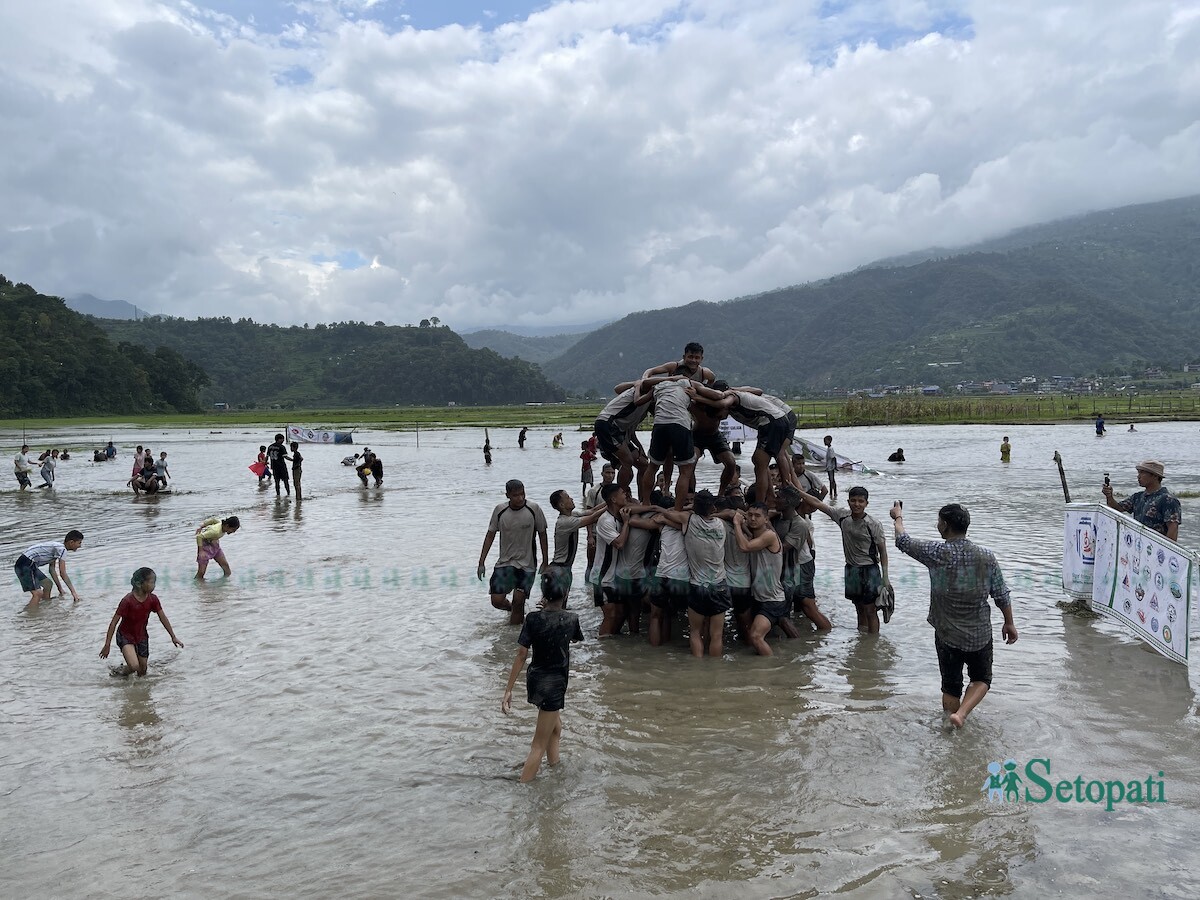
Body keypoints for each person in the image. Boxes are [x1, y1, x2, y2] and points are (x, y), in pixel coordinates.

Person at [891, 502, 1017, 728]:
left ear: (946, 525)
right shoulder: (986, 556)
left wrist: (898, 517)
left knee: (950, 686)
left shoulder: (937, 553)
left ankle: (951, 725)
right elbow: (1001, 594)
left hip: (947, 633)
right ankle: (963, 714)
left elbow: (903, 540)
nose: (937, 524)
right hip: (979, 633)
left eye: (939, 521)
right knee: (981, 679)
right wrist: (1009, 623)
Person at [501, 570, 584, 783]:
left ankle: (555, 768)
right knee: (538, 745)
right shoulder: (571, 619)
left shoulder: (532, 619)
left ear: (543, 594)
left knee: (556, 728)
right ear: (565, 593)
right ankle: (524, 788)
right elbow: (573, 639)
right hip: (555, 684)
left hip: (536, 681)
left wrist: (508, 689)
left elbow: (521, 655)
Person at [686, 382, 798, 503]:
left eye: (719, 416)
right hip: (770, 424)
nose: (720, 419)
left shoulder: (732, 397)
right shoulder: (732, 405)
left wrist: (697, 397)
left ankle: (762, 502)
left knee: (761, 464)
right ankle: (770, 496)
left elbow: (723, 403)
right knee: (758, 462)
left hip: (773, 422)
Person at [805, 486, 890, 633]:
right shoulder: (842, 516)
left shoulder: (873, 524)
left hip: (870, 570)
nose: (857, 504)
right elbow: (818, 504)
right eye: (853, 501)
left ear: (866, 503)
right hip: (851, 569)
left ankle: (873, 642)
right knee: (858, 607)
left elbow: (883, 552)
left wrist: (886, 578)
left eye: (861, 501)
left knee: (870, 610)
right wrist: (796, 489)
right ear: (848, 502)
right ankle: (863, 641)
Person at [478, 479, 549, 625]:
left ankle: (514, 640)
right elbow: (490, 535)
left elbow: (542, 534)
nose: (520, 498)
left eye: (522, 494)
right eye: (516, 495)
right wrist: (481, 562)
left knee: (519, 600)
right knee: (496, 600)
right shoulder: (500, 510)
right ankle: (513, 613)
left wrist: (545, 561)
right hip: (505, 562)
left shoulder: (534, 509)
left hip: (527, 564)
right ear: (507, 495)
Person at [100, 567, 184, 678]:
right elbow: (114, 622)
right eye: (151, 582)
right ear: (140, 583)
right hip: (125, 636)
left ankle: (136, 690)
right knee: (134, 666)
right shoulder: (127, 601)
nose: (154, 586)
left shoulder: (153, 599)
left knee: (143, 670)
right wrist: (107, 645)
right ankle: (119, 673)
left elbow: (163, 618)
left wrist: (173, 636)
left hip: (142, 636)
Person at [734, 503, 793, 656]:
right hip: (759, 597)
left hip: (772, 599)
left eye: (757, 516)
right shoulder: (755, 534)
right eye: (750, 515)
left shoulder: (769, 536)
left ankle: (770, 670)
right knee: (760, 635)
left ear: (766, 519)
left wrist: (736, 523)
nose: (752, 518)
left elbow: (745, 547)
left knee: (755, 636)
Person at [639, 376, 697, 510]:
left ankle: (646, 502)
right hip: (680, 424)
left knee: (652, 466)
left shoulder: (659, 386)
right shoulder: (687, 383)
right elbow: (711, 391)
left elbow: (643, 388)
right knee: (685, 471)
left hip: (660, 424)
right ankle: (677, 509)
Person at [593, 384, 653, 495]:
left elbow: (631, 433)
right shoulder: (639, 392)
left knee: (644, 464)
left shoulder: (644, 409)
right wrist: (638, 383)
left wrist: (640, 447)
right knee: (627, 462)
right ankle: (620, 494)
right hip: (608, 428)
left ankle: (643, 498)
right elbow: (617, 389)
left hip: (621, 435)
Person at [1101, 460, 1181, 541]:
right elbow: (1117, 508)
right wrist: (1109, 496)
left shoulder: (1168, 500)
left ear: (1155, 476)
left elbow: (1173, 529)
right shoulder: (1138, 497)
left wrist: (1166, 552)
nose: (1138, 476)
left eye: (1142, 473)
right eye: (1138, 473)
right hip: (1139, 545)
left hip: (1156, 547)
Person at [548, 489, 606, 598]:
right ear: (562, 505)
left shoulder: (572, 515)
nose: (572, 499)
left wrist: (608, 500)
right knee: (556, 602)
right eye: (568, 498)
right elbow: (593, 518)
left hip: (564, 567)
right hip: (560, 568)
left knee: (560, 602)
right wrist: (612, 503)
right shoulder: (565, 522)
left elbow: (593, 511)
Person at [13, 530, 84, 608]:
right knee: (37, 593)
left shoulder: (57, 548)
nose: (80, 546)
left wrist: (60, 588)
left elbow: (52, 570)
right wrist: (74, 593)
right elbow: (63, 573)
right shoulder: (62, 550)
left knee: (48, 584)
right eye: (79, 543)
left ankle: (44, 608)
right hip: (25, 564)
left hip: (29, 564)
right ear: (71, 542)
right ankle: (28, 616)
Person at [640, 341, 717, 386]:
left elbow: (712, 379)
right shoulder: (674, 366)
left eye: (697, 358)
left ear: (701, 359)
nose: (693, 360)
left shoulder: (704, 372)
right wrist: (644, 380)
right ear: (684, 357)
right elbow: (650, 371)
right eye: (690, 357)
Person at [195, 515, 240, 579]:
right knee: (201, 573)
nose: (233, 532)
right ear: (227, 526)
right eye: (233, 530)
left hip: (215, 546)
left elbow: (212, 520)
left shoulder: (221, 523)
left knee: (227, 570)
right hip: (204, 547)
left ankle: (223, 586)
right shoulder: (215, 531)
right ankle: (197, 587)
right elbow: (199, 537)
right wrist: (201, 551)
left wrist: (202, 526)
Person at [823, 434, 838, 502]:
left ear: (829, 441)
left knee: (832, 480)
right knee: (831, 480)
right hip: (829, 467)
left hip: (831, 467)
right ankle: (832, 493)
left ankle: (834, 493)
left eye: (825, 441)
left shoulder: (831, 449)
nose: (824, 442)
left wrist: (835, 467)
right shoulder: (828, 449)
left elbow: (834, 458)